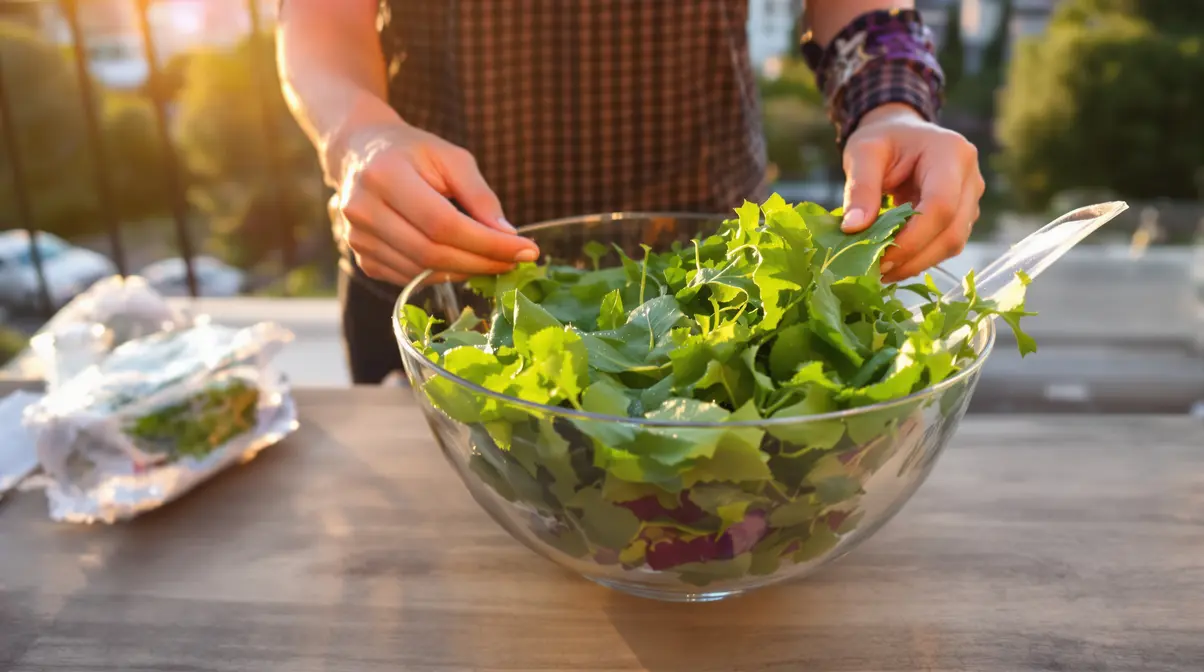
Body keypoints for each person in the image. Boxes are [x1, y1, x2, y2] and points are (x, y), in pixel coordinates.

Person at [278, 1, 983, 385]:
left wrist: (890, 109)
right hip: (435, 263)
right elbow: (320, 18)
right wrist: (359, 136)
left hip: (719, 296)